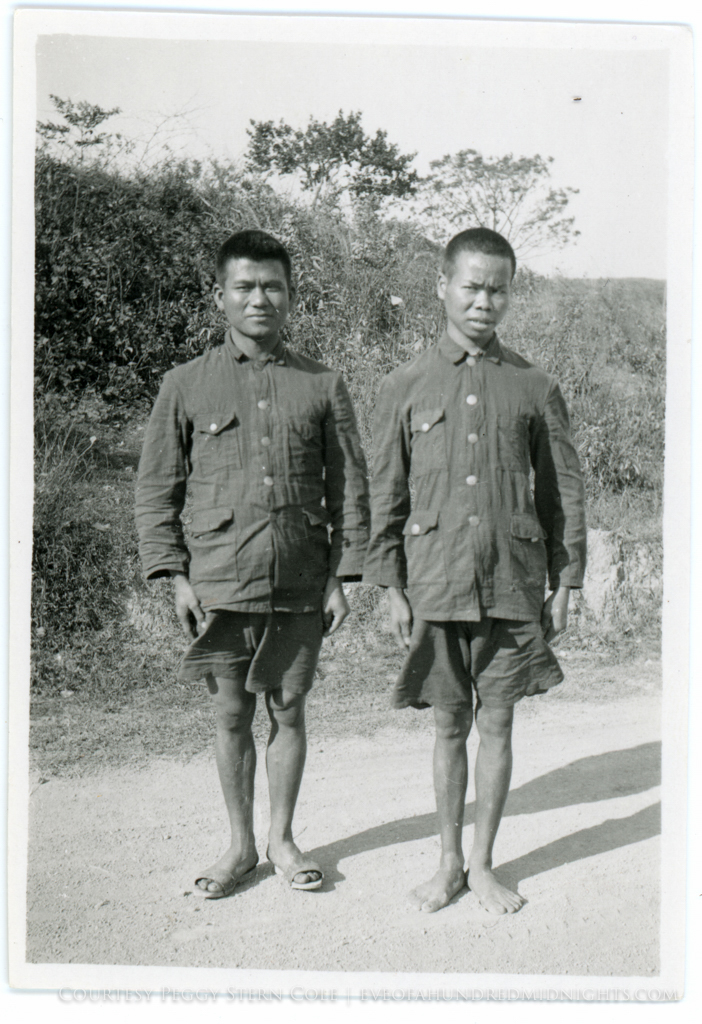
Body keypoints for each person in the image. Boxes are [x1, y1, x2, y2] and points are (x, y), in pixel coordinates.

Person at [135, 229, 369, 898]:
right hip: (217, 580)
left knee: (289, 710)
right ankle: (239, 846)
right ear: (221, 297)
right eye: (245, 286)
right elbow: (156, 489)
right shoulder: (184, 385)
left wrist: (341, 576)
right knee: (231, 715)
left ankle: (284, 840)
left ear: (291, 296)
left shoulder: (323, 384)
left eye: (272, 286)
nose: (259, 298)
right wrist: (173, 575)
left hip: (300, 577)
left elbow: (350, 485)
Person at [363, 227, 586, 915]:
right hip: (434, 581)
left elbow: (561, 491)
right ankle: (448, 864)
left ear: (510, 294)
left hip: (512, 580)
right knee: (448, 726)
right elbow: (385, 495)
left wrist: (567, 579)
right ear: (443, 286)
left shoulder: (533, 384)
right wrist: (388, 586)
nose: (484, 300)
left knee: (500, 724)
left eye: (498, 288)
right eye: (472, 285)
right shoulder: (402, 385)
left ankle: (485, 865)